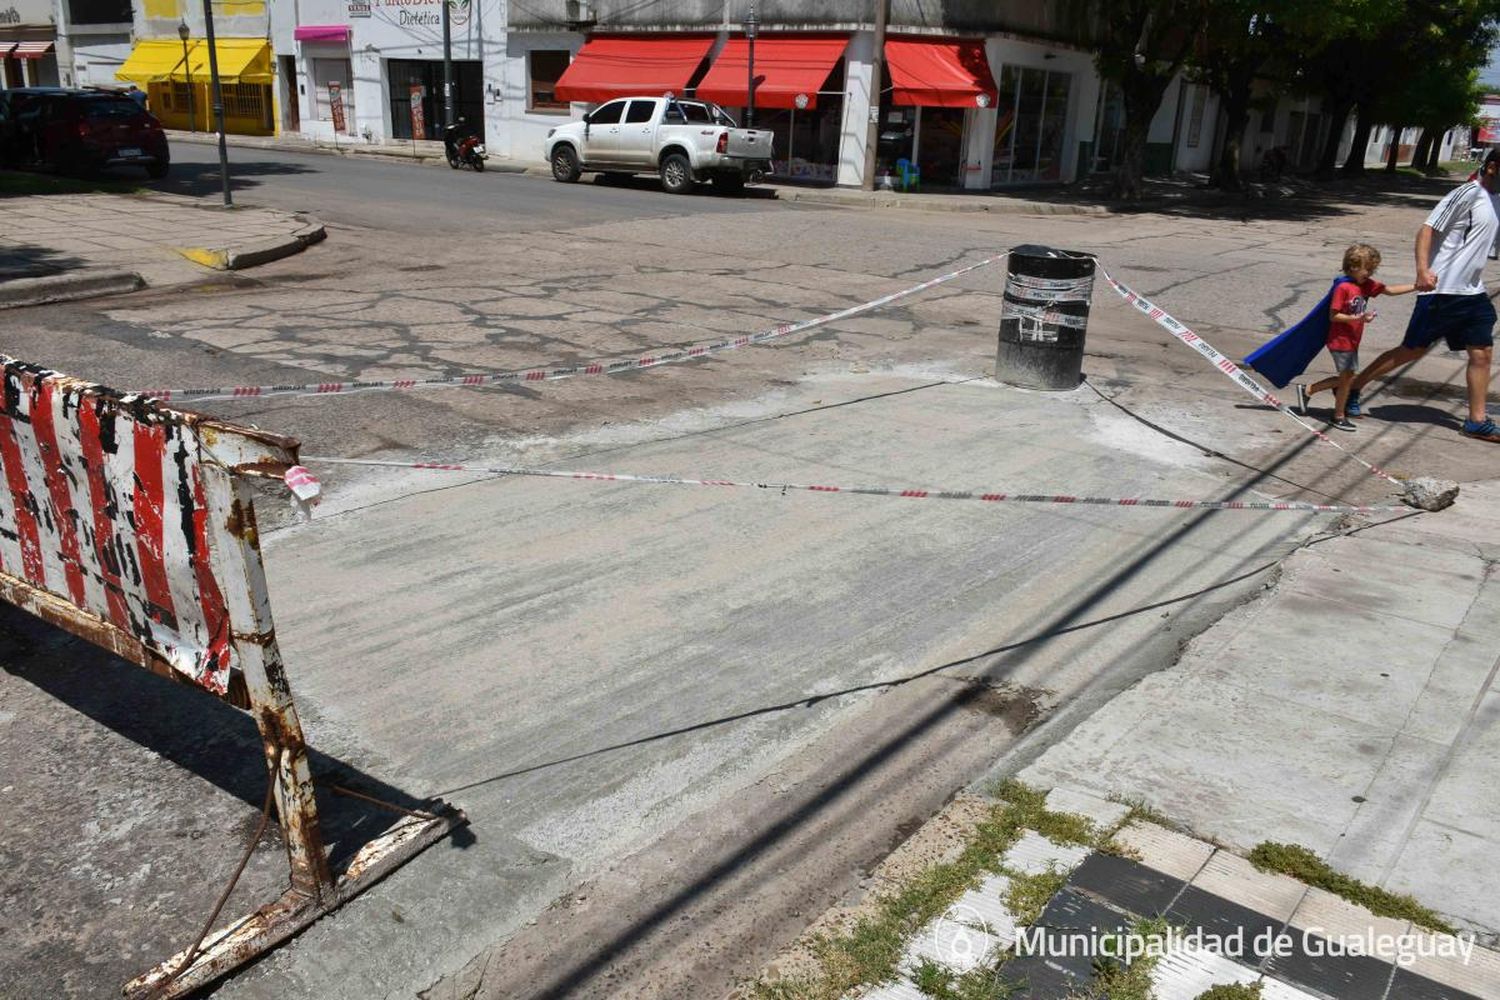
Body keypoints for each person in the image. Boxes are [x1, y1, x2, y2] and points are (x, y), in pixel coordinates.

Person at [1345, 146, 1500, 442]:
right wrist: (1422, 270)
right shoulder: (1467, 194)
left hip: (1473, 292)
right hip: (1442, 289)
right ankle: (1354, 386)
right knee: (1413, 350)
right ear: (1493, 167)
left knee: (1482, 353)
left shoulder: (1497, 200)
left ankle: (1476, 421)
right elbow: (1427, 229)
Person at [1294, 244, 1414, 430]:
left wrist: (1416, 286)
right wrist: (1359, 318)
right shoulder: (1343, 288)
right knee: (1347, 380)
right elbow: (1333, 316)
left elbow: (1389, 290)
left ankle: (1310, 391)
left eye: (1373, 269)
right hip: (1340, 340)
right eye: (1368, 269)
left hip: (1352, 339)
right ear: (1353, 267)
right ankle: (1337, 415)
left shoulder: (1365, 285)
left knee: (1347, 378)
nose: (1371, 273)